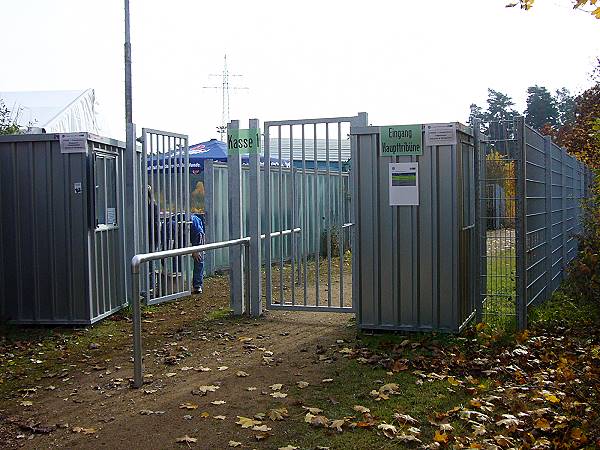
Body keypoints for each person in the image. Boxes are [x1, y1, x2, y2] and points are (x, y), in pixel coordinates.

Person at [190, 213, 205, 294]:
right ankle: (176, 282)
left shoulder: (195, 223)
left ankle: (197, 285)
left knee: (199, 257)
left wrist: (196, 250)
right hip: (179, 234)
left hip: (196, 232)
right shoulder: (169, 224)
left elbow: (199, 234)